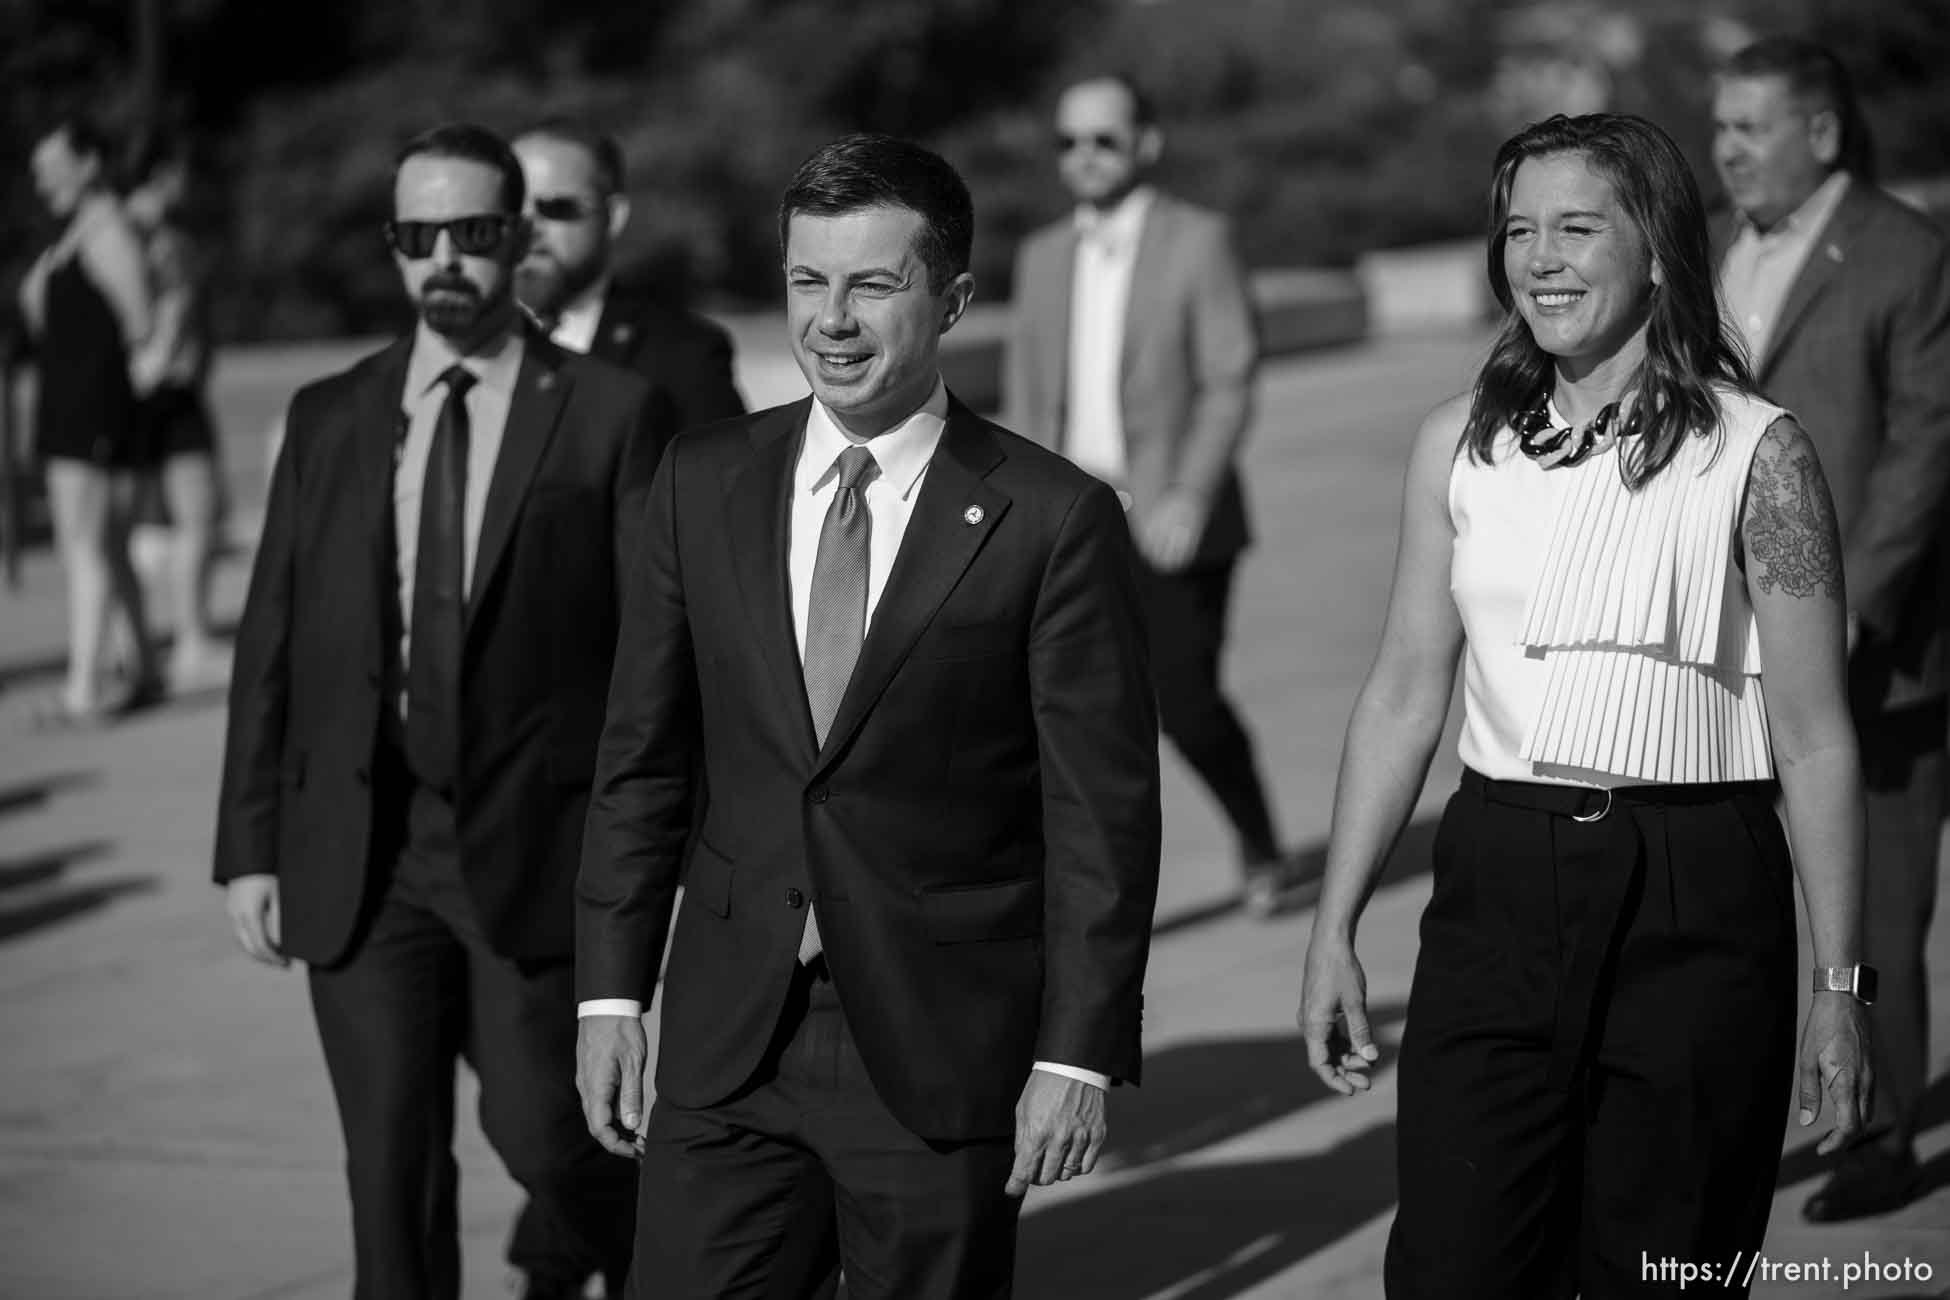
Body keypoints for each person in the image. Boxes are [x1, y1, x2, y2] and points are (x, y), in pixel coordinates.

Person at [1296, 113, 1873, 1298]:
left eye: (1575, 227)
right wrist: (1334, 927)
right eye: (1519, 231)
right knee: (1455, 1267)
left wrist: (1841, 988)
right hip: (1497, 882)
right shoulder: (1453, 445)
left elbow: (1815, 739)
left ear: (1658, 248)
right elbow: (1407, 689)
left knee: (1668, 1271)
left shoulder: (1763, 454)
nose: (1540, 258)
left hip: (1699, 889)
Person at [576, 133, 1162, 1299]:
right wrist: (610, 991)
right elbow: (642, 757)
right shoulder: (701, 479)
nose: (830, 320)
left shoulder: (1053, 518)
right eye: (806, 281)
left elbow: (1100, 815)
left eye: (871, 284)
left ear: (952, 299)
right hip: (725, 1036)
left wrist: (1076, 1052)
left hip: (938, 1047)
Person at [214, 123, 667, 1300]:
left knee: (553, 1139)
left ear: (518, 237)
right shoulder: (330, 415)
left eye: (473, 233)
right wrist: (248, 843)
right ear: (395, 250)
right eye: (419, 238)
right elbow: (275, 637)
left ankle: (698, 1270)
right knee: (390, 1171)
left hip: (534, 846)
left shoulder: (611, 412)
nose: (446, 261)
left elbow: (653, 656)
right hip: (362, 853)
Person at [1711, 36, 1950, 1223]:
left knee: (1878, 909)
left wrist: (1854, 613)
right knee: (1745, 905)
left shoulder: (1905, 253)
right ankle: (1768, 1112)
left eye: (1750, 126)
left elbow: (1925, 448)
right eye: (1720, 126)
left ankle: (1878, 1136)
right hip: (1726, 648)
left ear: (1820, 131)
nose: (1727, 149)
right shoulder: (1714, 253)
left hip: (1875, 658)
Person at [1003, 74, 1306, 916]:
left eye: (1103, 139)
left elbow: (1228, 375)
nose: (1084, 157)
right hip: (1068, 517)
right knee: (1064, 717)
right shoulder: (1039, 255)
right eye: (1068, 142)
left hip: (1176, 517)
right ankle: (1082, 891)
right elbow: (1028, 396)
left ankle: (1259, 835)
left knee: (1187, 703)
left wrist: (1186, 496)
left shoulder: (1200, 240)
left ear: (1146, 142)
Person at [18, 115, 163, 721]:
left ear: (89, 164)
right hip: (74, 411)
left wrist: (120, 398)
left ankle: (85, 686)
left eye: (54, 165)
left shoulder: (107, 232)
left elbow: (141, 322)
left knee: (86, 549)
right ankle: (145, 667)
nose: (42, 178)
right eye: (38, 168)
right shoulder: (76, 233)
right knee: (106, 547)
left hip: (92, 415)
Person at [512, 118, 745, 431]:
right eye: (511, 207)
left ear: (613, 216)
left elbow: (726, 475)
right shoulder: (452, 340)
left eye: (557, 208)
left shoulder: (684, 357)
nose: (529, 228)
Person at [125, 141, 231, 692]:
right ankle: (189, 638)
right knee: (197, 516)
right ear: (164, 175)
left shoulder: (110, 231)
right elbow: (169, 314)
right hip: (169, 391)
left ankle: (137, 641)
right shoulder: (162, 240)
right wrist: (156, 364)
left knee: (139, 523)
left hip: (136, 395)